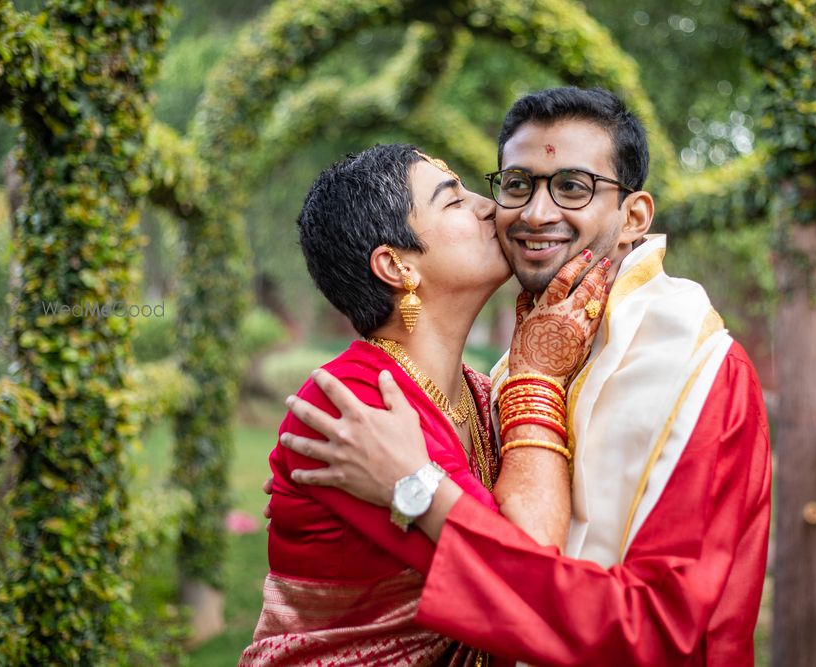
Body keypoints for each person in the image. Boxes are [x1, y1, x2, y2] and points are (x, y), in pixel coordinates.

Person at [276, 87, 773, 666]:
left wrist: (414, 485)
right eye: (514, 185)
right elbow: (524, 555)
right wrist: (534, 379)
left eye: (572, 187)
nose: (523, 214)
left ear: (633, 216)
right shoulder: (379, 401)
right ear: (396, 265)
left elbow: (669, 630)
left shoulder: (697, 369)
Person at [240, 143, 609, 666]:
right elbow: (530, 580)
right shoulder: (349, 405)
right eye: (453, 201)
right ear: (395, 265)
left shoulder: (477, 394)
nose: (490, 207)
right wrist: (537, 378)